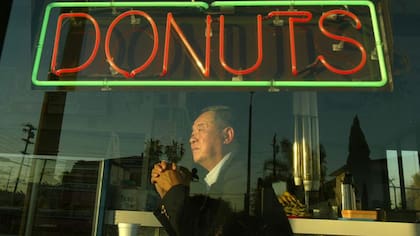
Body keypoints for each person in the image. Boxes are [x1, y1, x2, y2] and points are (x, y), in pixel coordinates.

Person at [151, 105, 293, 235]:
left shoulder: (243, 178)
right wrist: (169, 193)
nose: (192, 139)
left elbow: (208, 232)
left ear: (227, 136)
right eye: (192, 132)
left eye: (201, 129)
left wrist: (175, 191)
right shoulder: (219, 179)